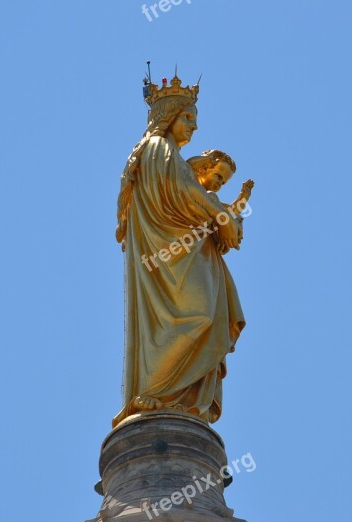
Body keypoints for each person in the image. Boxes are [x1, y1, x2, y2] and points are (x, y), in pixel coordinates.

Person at [112, 76, 246, 427]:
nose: (195, 125)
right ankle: (156, 391)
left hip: (191, 255)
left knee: (207, 316)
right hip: (171, 258)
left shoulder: (167, 153)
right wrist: (220, 216)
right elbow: (181, 193)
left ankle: (181, 398)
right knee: (200, 315)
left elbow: (190, 194)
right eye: (188, 117)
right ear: (169, 115)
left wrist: (221, 219)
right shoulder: (157, 148)